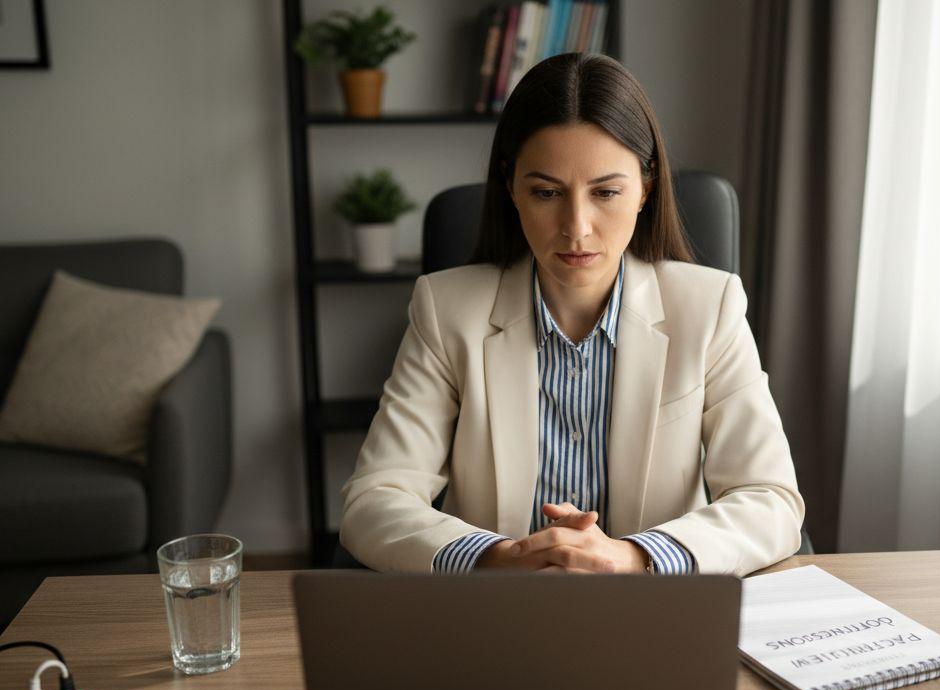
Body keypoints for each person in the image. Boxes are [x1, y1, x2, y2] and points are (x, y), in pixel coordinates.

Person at [340, 53, 803, 576]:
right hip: (499, 610)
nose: (577, 227)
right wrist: (498, 558)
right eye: (546, 193)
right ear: (512, 188)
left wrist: (633, 557)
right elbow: (375, 500)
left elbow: (770, 499)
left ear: (646, 188)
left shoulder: (709, 307)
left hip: (650, 609)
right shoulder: (446, 311)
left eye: (606, 192)